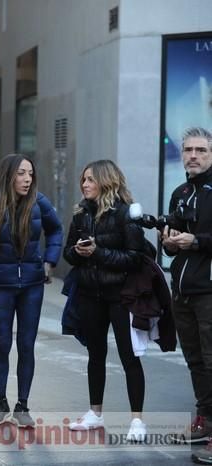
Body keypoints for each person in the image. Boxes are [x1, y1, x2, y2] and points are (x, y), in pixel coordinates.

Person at [63, 159, 147, 442]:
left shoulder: (125, 214)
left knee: (129, 357)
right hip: (90, 295)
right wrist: (78, 251)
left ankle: (137, 420)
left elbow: (136, 258)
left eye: (90, 179)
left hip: (120, 296)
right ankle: (95, 414)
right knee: (95, 356)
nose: (85, 184)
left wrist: (98, 253)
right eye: (83, 180)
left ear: (106, 181)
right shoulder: (80, 215)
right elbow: (68, 255)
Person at [0, 154, 63, 427]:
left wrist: (50, 261)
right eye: (21, 173)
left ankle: (22, 405)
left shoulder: (39, 202)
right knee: (2, 344)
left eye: (30, 173)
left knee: (26, 345)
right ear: (9, 176)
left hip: (31, 285)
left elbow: (56, 230)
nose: (27, 179)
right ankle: (0, 401)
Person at [160, 127, 212, 462]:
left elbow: (198, 239)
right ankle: (205, 422)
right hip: (181, 290)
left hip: (209, 291)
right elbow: (172, 243)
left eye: (201, 150)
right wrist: (168, 241)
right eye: (188, 150)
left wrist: (196, 241)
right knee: (195, 361)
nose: (193, 155)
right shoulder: (180, 191)